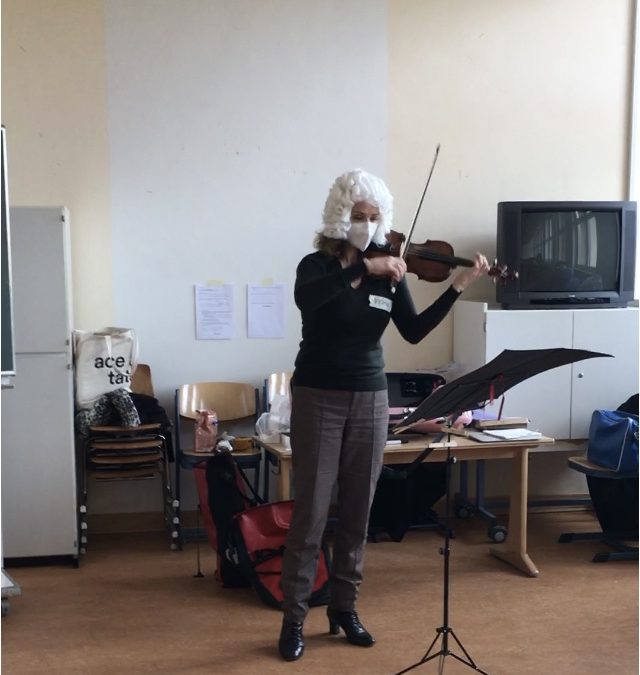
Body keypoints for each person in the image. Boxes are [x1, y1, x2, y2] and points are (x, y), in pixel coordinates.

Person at [278, 168, 490, 661]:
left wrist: (457, 286)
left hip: (371, 397)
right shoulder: (318, 267)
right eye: (358, 216)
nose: (367, 225)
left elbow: (414, 332)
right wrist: (363, 271)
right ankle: (293, 619)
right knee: (310, 514)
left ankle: (345, 609)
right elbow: (309, 301)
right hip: (319, 395)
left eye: (374, 217)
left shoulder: (391, 270)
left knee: (358, 510)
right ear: (339, 217)